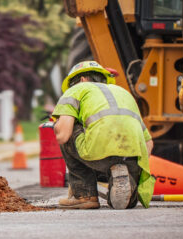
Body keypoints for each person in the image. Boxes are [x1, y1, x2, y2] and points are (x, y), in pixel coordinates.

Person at [52, 61, 155, 210]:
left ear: (82, 80)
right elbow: (149, 143)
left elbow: (63, 135)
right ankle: (125, 178)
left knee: (68, 129)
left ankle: (84, 195)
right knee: (122, 202)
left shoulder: (77, 90)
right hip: (133, 157)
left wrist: (58, 124)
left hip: (100, 155)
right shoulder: (123, 93)